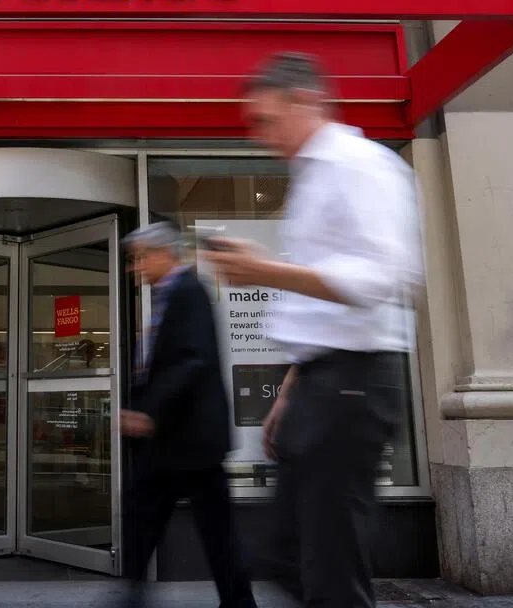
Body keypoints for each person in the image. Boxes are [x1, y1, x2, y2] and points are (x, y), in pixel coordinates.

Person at [205, 52, 425, 608]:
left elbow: (381, 276)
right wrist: (291, 388)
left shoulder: (359, 165)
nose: (260, 136)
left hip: (356, 382)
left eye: (267, 120)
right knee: (285, 553)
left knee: (327, 559)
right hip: (323, 383)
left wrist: (264, 272)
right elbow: (321, 314)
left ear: (305, 101)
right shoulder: (313, 176)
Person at [119, 222, 257, 608]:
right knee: (144, 517)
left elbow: (192, 360)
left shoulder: (189, 292)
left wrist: (147, 411)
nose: (136, 267)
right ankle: (131, 595)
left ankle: (238, 602)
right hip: (173, 440)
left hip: (192, 440)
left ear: (164, 254)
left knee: (213, 531)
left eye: (141, 258)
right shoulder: (169, 295)